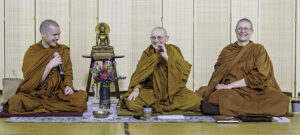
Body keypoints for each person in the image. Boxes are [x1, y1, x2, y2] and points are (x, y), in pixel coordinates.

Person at [196, 18, 289, 116]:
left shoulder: (258, 49)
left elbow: (260, 76)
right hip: (232, 92)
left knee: (282, 100)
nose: (243, 31)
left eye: (246, 29)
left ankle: (221, 109)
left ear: (252, 32)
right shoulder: (227, 50)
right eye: (240, 28)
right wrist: (217, 85)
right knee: (218, 96)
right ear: (235, 31)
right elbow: (218, 73)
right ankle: (228, 108)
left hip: (255, 90)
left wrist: (230, 85)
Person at [7, 19, 87, 114]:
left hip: (56, 93)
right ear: (43, 34)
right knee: (15, 101)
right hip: (35, 93)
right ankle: (47, 106)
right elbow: (30, 81)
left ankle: (42, 106)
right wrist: (49, 66)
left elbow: (68, 73)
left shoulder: (63, 50)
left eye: (59, 34)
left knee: (80, 100)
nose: (58, 38)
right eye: (54, 35)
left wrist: (68, 86)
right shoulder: (32, 51)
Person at [120, 27, 202, 113]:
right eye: (153, 38)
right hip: (152, 92)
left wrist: (166, 57)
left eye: (159, 37)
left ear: (166, 39)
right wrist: (137, 89)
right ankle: (166, 107)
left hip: (172, 91)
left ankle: (153, 108)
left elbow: (182, 73)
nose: (156, 40)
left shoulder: (173, 50)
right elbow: (140, 75)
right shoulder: (147, 53)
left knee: (198, 101)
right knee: (131, 103)